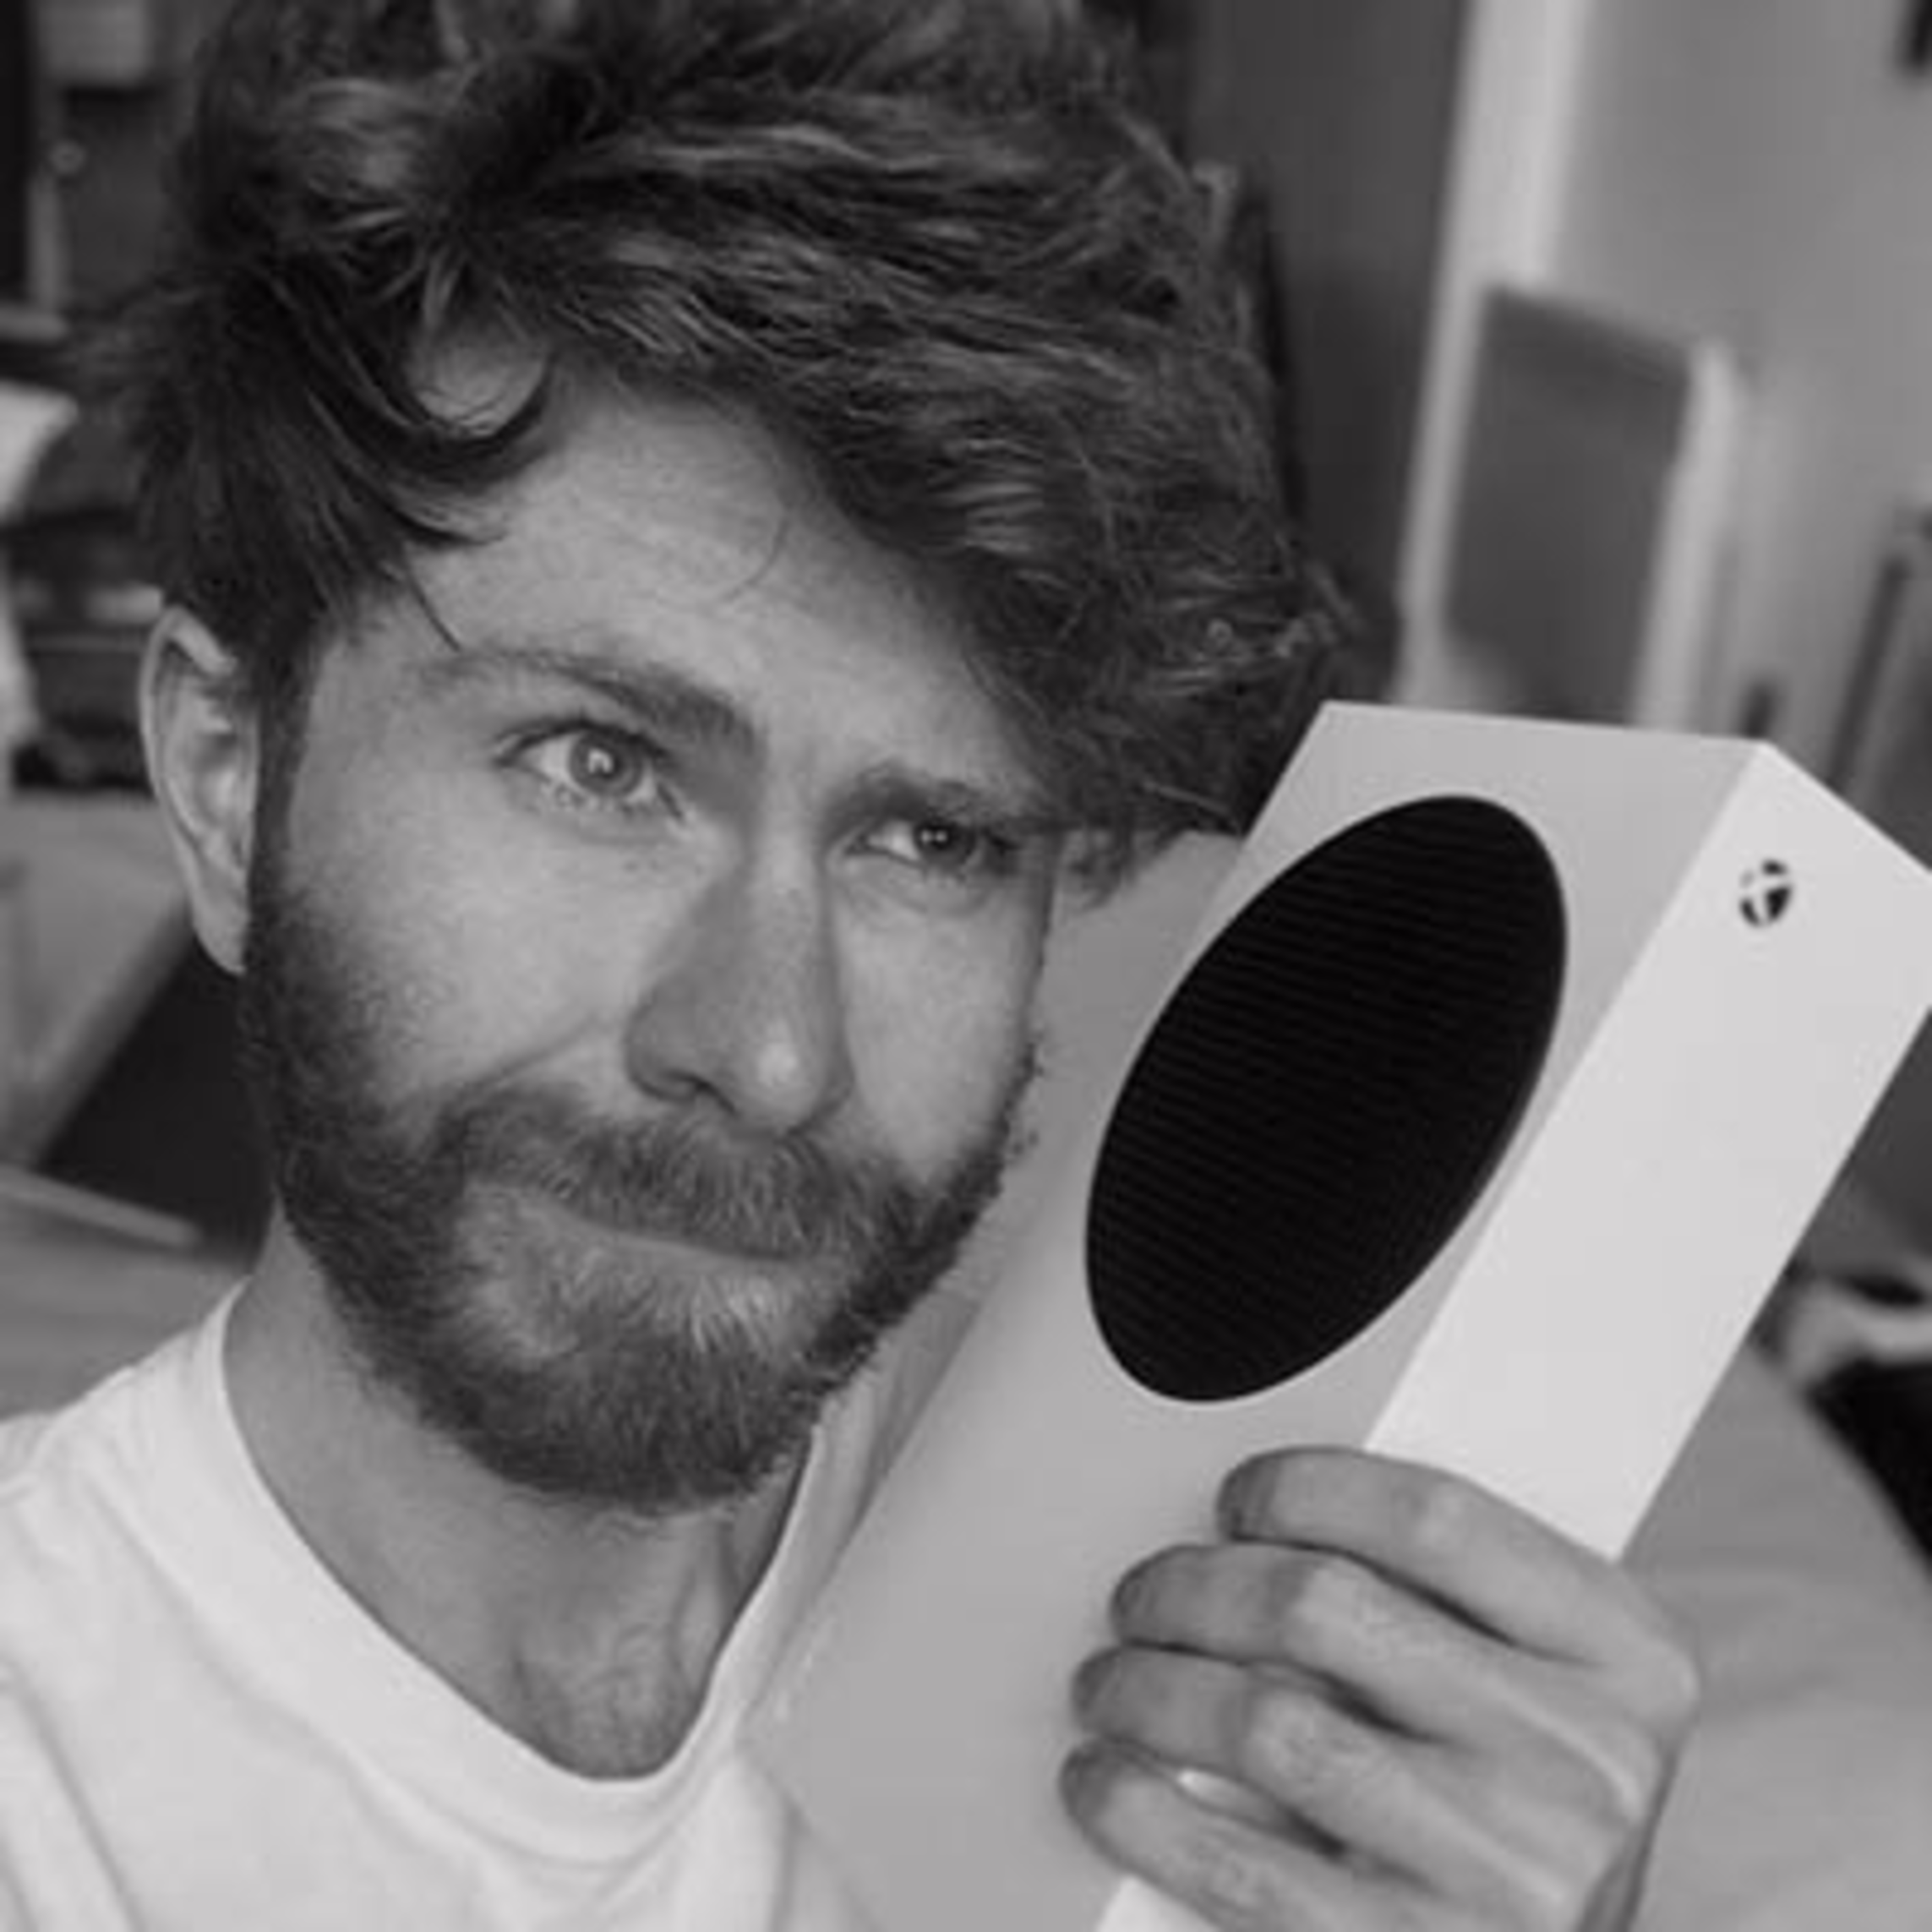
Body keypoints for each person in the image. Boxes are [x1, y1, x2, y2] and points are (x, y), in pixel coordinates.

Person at [0, 1, 1878, 1925]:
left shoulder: (1197, 1671)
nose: (772, 1050)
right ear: (226, 780)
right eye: (601, 765)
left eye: (933, 841)